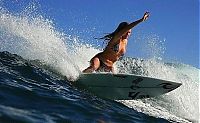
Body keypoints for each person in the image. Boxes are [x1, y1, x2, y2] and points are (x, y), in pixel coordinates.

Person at [83, 12, 150, 73]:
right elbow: (128, 27)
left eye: (129, 32)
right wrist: (141, 20)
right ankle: (80, 76)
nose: (128, 34)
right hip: (100, 60)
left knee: (114, 76)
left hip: (109, 66)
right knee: (94, 67)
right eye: (126, 32)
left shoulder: (125, 41)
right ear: (122, 31)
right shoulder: (116, 38)